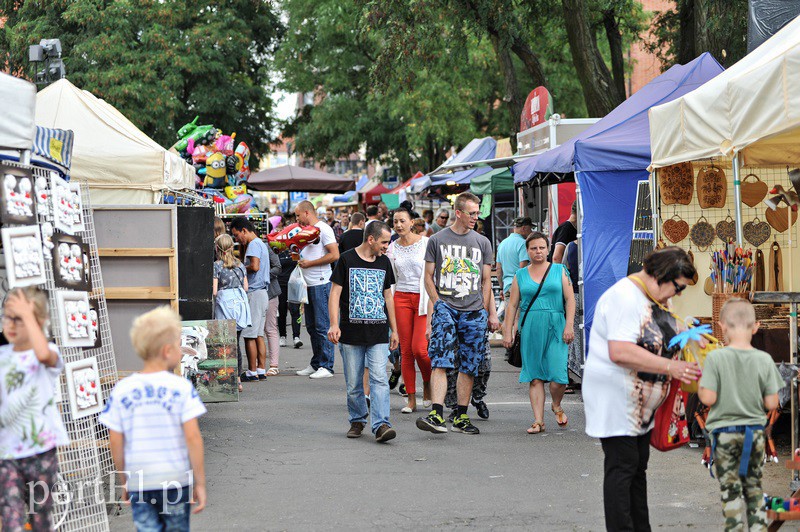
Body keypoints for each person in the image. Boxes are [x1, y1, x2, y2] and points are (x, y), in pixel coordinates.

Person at [582, 247, 701, 531]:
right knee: (623, 469)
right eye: (679, 287)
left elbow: (659, 337)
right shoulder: (625, 297)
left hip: (639, 403)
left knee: (637, 469)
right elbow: (620, 351)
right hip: (618, 399)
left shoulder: (654, 298)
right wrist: (669, 367)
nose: (678, 294)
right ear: (663, 276)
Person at [99, 307, 207, 530]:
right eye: (179, 344)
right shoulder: (181, 388)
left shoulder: (122, 390)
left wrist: (124, 480)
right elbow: (193, 437)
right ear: (168, 350)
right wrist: (200, 481)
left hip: (140, 479)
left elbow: (116, 441)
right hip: (176, 479)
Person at [416, 192, 500, 435]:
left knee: (470, 365)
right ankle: (436, 413)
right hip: (447, 309)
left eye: (477, 213)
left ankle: (461, 416)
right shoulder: (437, 240)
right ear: (459, 212)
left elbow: (486, 280)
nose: (476, 217)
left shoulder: (482, 242)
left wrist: (483, 311)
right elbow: (428, 277)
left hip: (473, 312)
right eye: (472, 213)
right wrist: (438, 303)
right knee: (440, 360)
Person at [698, 299, 784, 531]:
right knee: (754, 489)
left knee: (731, 492)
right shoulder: (764, 360)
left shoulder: (715, 358)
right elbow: (772, 402)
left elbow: (707, 399)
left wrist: (700, 384)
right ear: (755, 327)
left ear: (721, 325)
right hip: (754, 436)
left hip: (724, 437)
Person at [0, 288, 69, 531]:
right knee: (11, 517)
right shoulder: (2, 356)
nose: (10, 324)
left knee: (40, 516)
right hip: (7, 453)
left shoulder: (48, 353)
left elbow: (43, 354)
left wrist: (28, 316)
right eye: (7, 317)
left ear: (37, 322)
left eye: (18, 318)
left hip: (42, 451)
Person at [328, 221, 399, 443]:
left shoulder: (385, 262)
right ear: (371, 239)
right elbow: (335, 294)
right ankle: (357, 419)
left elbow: (388, 297)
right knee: (353, 383)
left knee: (379, 378)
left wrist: (394, 330)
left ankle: (381, 424)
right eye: (384, 242)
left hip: (378, 332)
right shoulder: (347, 259)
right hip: (351, 333)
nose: (387, 246)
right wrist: (334, 324)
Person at [502, 232, 575, 434]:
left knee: (559, 376)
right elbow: (512, 305)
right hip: (531, 327)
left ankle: (556, 405)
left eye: (542, 247)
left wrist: (569, 325)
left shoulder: (559, 270)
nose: (538, 251)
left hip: (556, 325)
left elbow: (570, 300)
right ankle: (538, 421)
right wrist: (507, 331)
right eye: (534, 248)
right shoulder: (520, 275)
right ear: (528, 251)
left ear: (548, 249)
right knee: (534, 376)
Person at [386, 206, 431, 413]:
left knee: (420, 349)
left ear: (412, 222)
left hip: (423, 299)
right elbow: (390, 278)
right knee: (405, 351)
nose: (399, 225)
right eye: (395, 221)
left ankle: (429, 384)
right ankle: (411, 399)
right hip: (401, 298)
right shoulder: (392, 247)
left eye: (402, 221)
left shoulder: (426, 243)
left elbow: (433, 274)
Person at [294, 200, 339, 379]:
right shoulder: (305, 231)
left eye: (298, 215)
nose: (297, 219)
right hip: (308, 284)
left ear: (307, 213)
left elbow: (335, 255)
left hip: (321, 283)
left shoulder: (324, 229)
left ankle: (327, 366)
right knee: (312, 326)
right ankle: (316, 363)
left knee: (322, 326)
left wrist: (310, 263)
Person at [230, 217, 271, 382]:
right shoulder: (260, 243)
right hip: (263, 293)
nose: (236, 239)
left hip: (254, 293)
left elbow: (254, 266)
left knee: (249, 335)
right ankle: (260, 369)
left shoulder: (253, 244)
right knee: (258, 335)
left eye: (236, 235)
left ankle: (252, 371)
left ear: (244, 230)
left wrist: (239, 268)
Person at [213, 234, 251, 392]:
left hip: (224, 308)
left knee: (224, 345)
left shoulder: (217, 266)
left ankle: (225, 380)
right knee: (236, 344)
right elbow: (246, 287)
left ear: (217, 248)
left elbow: (215, 291)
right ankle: (238, 380)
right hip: (239, 308)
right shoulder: (240, 265)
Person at [496, 217, 532, 300]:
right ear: (524, 228)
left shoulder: (502, 244)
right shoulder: (523, 244)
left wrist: (501, 288)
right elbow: (522, 268)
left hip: (506, 288)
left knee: (509, 312)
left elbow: (498, 269)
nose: (531, 232)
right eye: (530, 229)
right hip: (519, 288)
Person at [277, 247, 303, 349]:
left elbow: (299, 265)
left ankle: (296, 337)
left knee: (295, 310)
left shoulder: (295, 250)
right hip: (281, 284)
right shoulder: (277, 252)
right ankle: (282, 336)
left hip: (294, 284)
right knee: (282, 311)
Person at [264, 237, 282, 376]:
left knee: (270, 327)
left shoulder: (266, 246)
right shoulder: (242, 247)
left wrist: (263, 276)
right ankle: (258, 365)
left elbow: (277, 267)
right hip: (255, 292)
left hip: (269, 292)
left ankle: (274, 364)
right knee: (258, 330)